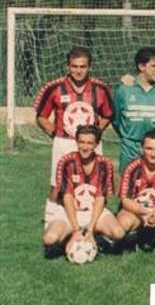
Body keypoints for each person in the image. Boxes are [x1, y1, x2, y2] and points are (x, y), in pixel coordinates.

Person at [33, 47, 113, 196]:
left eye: (82, 66)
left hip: (91, 143)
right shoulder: (54, 87)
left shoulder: (100, 88)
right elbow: (41, 117)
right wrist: (55, 134)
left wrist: (96, 133)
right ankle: (52, 217)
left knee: (94, 185)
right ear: (68, 66)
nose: (78, 71)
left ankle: (94, 218)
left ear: (89, 67)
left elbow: (108, 115)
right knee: (57, 185)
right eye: (74, 66)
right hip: (64, 142)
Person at [42, 125, 123, 258]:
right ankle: (70, 239)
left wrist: (90, 228)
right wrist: (75, 230)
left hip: (93, 211)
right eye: (81, 142)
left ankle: (94, 236)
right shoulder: (66, 161)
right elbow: (67, 197)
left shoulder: (104, 164)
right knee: (49, 239)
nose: (85, 147)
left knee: (118, 233)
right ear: (77, 142)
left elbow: (100, 198)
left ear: (97, 144)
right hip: (70, 211)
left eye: (90, 143)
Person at [113, 47, 155, 171]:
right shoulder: (124, 90)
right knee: (129, 188)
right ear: (141, 66)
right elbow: (116, 120)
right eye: (154, 66)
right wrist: (128, 135)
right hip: (130, 150)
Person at [116, 130, 155, 250]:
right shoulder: (132, 167)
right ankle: (134, 240)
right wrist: (144, 212)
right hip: (137, 210)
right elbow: (125, 200)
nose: (153, 154)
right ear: (142, 149)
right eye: (149, 148)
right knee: (123, 223)